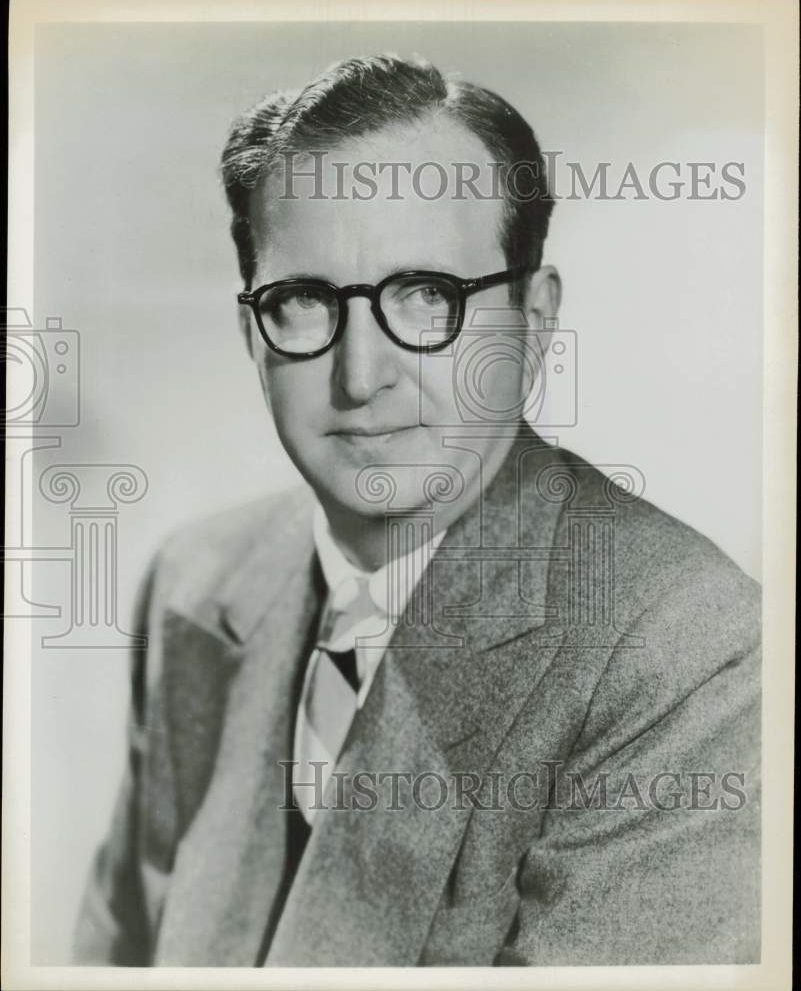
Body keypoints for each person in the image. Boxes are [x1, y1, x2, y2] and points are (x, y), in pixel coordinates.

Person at [74, 54, 760, 967]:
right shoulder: (194, 585)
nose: (363, 376)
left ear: (534, 319)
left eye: (427, 296)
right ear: (251, 332)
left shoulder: (684, 648)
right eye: (305, 301)